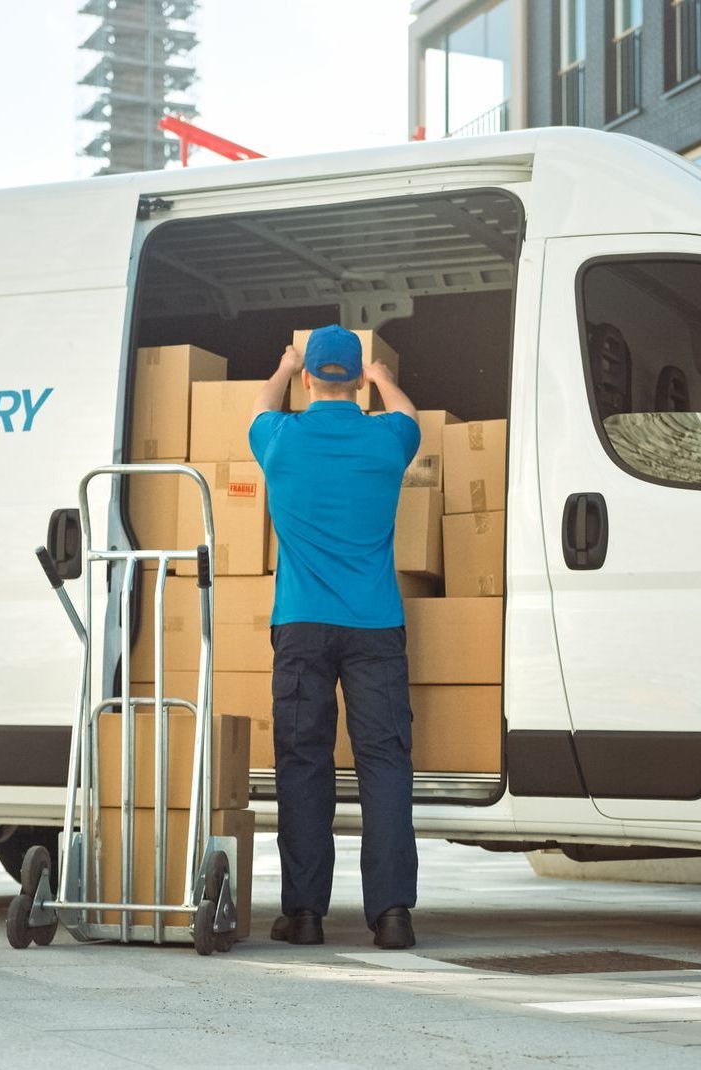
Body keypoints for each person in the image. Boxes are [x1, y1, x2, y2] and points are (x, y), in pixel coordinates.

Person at [249, 325, 421, 949]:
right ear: (355, 379)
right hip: (374, 624)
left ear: (307, 377)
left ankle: (304, 915)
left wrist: (281, 363)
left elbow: (260, 406)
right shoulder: (387, 439)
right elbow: (408, 414)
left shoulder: (280, 439)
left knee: (302, 763)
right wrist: (385, 381)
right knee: (384, 764)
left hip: (301, 624)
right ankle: (393, 914)